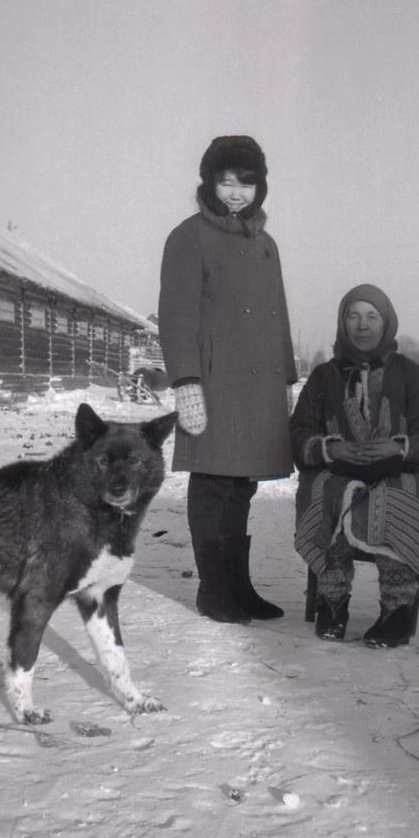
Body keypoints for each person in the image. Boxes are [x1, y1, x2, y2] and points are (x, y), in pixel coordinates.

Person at [158, 135, 297, 625]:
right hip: (214, 384)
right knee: (214, 482)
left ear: (260, 187)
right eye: (225, 181)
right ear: (209, 183)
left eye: (246, 182)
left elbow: (278, 315)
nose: (236, 192)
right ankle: (212, 589)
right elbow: (175, 315)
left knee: (242, 486)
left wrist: (287, 378)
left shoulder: (265, 244)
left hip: (258, 386)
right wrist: (186, 381)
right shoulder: (188, 236)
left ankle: (239, 586)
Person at [290, 284, 419, 647]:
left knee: (395, 499)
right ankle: (332, 604)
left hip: (398, 471)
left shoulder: (411, 374)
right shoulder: (323, 376)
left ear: (386, 323)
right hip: (341, 471)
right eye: (354, 316)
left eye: (371, 316)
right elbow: (299, 432)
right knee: (331, 492)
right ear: (342, 323)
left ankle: (396, 610)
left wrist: (399, 447)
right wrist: (334, 449)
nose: (363, 325)